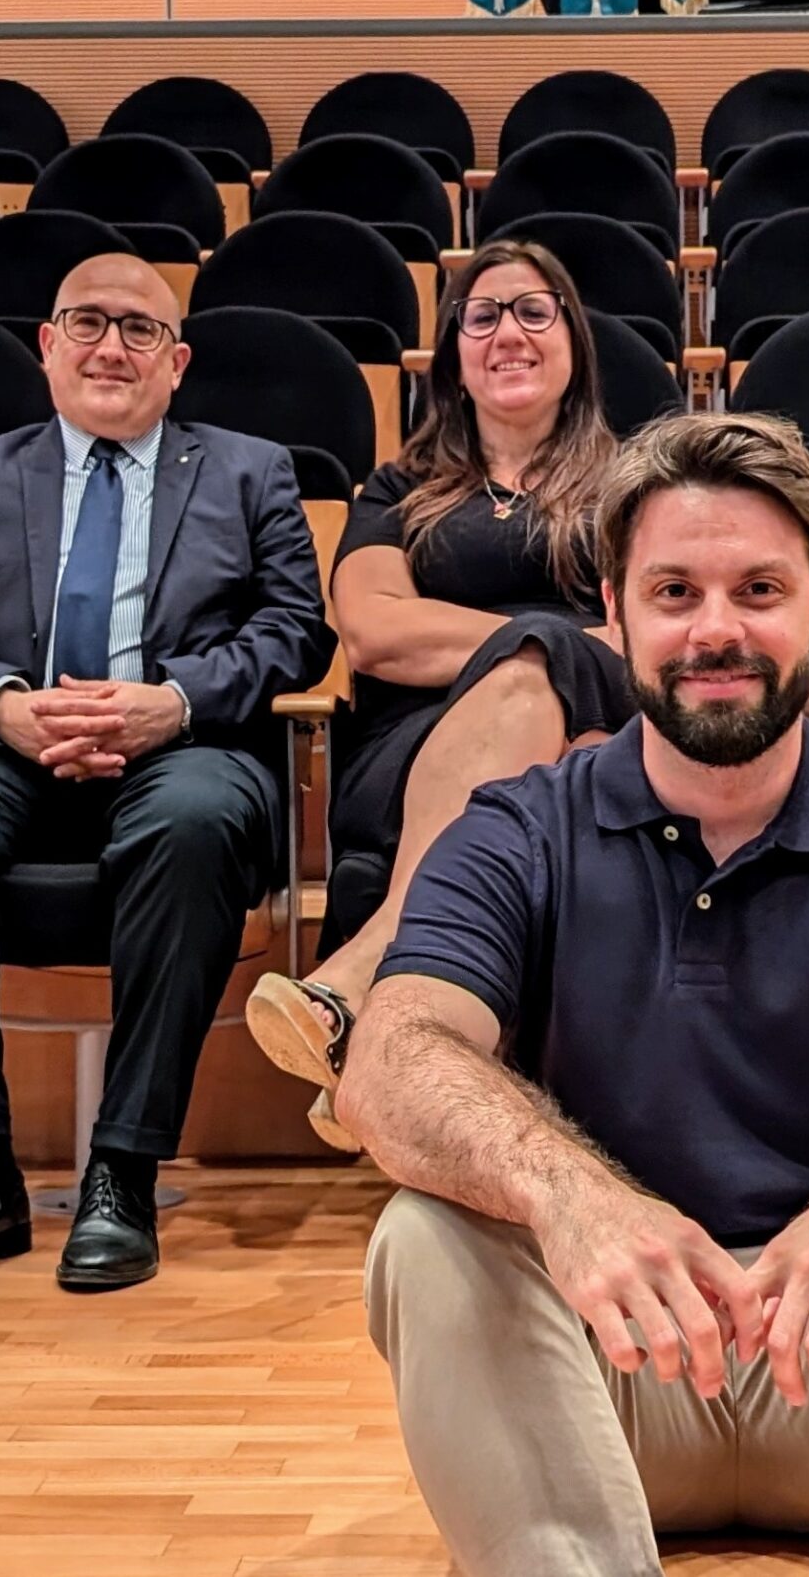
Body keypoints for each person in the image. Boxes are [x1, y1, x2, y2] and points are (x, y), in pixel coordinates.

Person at [315, 411, 809, 1577]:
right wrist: (571, 1194)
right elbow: (392, 1057)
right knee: (425, 1234)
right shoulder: (519, 829)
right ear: (614, 613)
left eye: (759, 589)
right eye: (674, 592)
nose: (716, 630)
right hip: (608, 1386)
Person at [0, 253, 333, 1292]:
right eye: (87, 323)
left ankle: (123, 1167)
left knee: (198, 817)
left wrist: (175, 700)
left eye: (139, 329)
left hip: (183, 750)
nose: (111, 347)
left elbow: (297, 632)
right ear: (47, 344)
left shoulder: (250, 471)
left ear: (177, 362)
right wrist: (4, 706)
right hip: (6, 750)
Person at [244, 239, 634, 1151]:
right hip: (417, 750)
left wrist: (543, 657)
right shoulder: (399, 489)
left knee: (552, 693)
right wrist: (537, 644)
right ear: (453, 351)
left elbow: (660, 625)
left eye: (534, 310)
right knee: (535, 675)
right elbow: (375, 631)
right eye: (482, 315)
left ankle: (370, 984)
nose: (509, 333)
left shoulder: (631, 484)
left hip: (601, 729)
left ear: (574, 340)